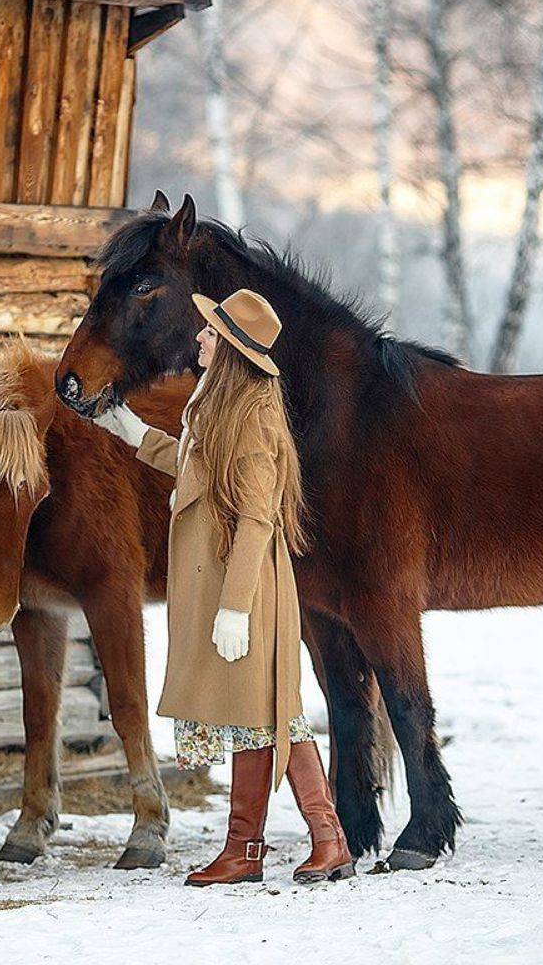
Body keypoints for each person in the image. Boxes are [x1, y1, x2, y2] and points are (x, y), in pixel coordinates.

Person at [90, 288, 353, 886]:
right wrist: (128, 428)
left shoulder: (253, 415)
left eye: (209, 332)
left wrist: (235, 608)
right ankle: (277, 848)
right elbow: (191, 467)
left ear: (231, 348)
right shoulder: (218, 405)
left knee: (269, 714)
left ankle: (287, 845)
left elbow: (258, 517)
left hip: (247, 587)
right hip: (223, 584)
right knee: (259, 716)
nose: (199, 338)